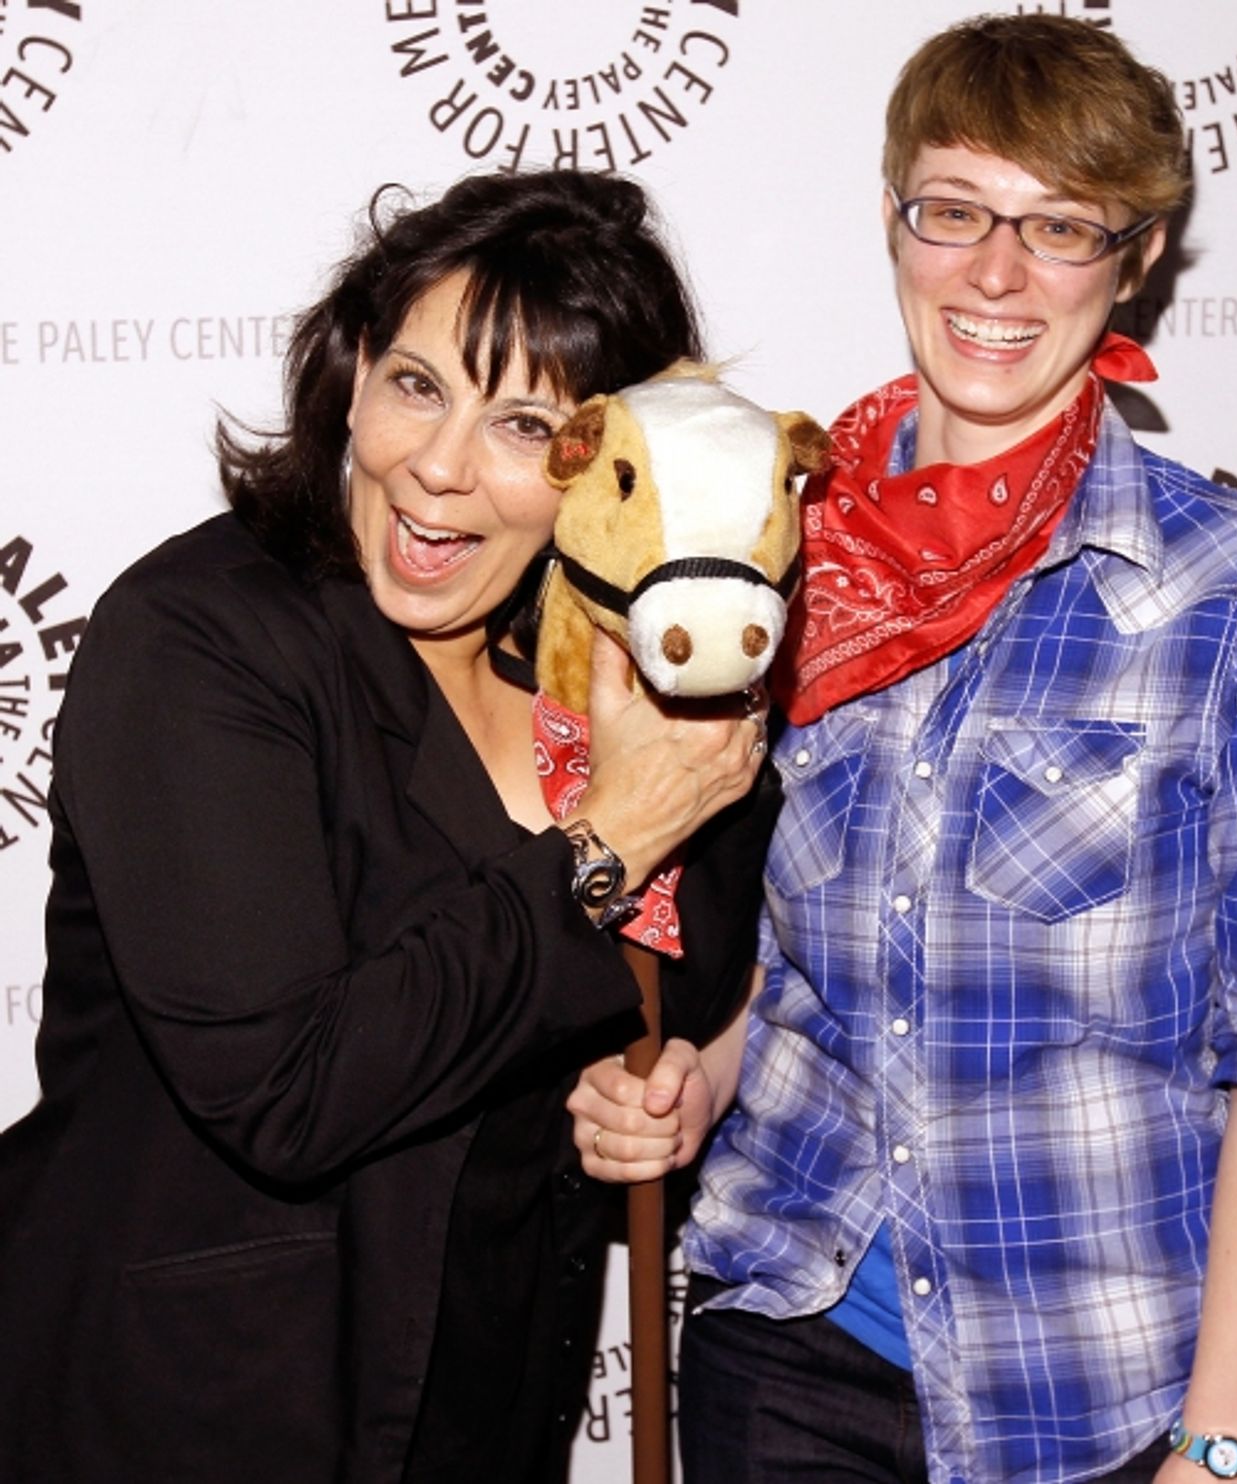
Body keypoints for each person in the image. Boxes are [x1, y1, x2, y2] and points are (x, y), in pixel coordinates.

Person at [567, 15, 1237, 1484]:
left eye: (1060, 226)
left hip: (1087, 1388)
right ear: (896, 219)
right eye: (953, 211)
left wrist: (1221, 1453)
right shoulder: (778, 557)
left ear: (1135, 259)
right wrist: (700, 1075)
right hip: (788, 1343)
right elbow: (806, 960)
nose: (995, 274)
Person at [0, 168, 780, 1484]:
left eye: (525, 424)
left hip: (482, 1392)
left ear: (608, 462)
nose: (438, 464)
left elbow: (689, 989)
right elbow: (288, 1090)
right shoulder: (204, 636)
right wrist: (604, 846)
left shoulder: (604, 666)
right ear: (353, 372)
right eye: (416, 384)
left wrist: (659, 1091)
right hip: (194, 1406)